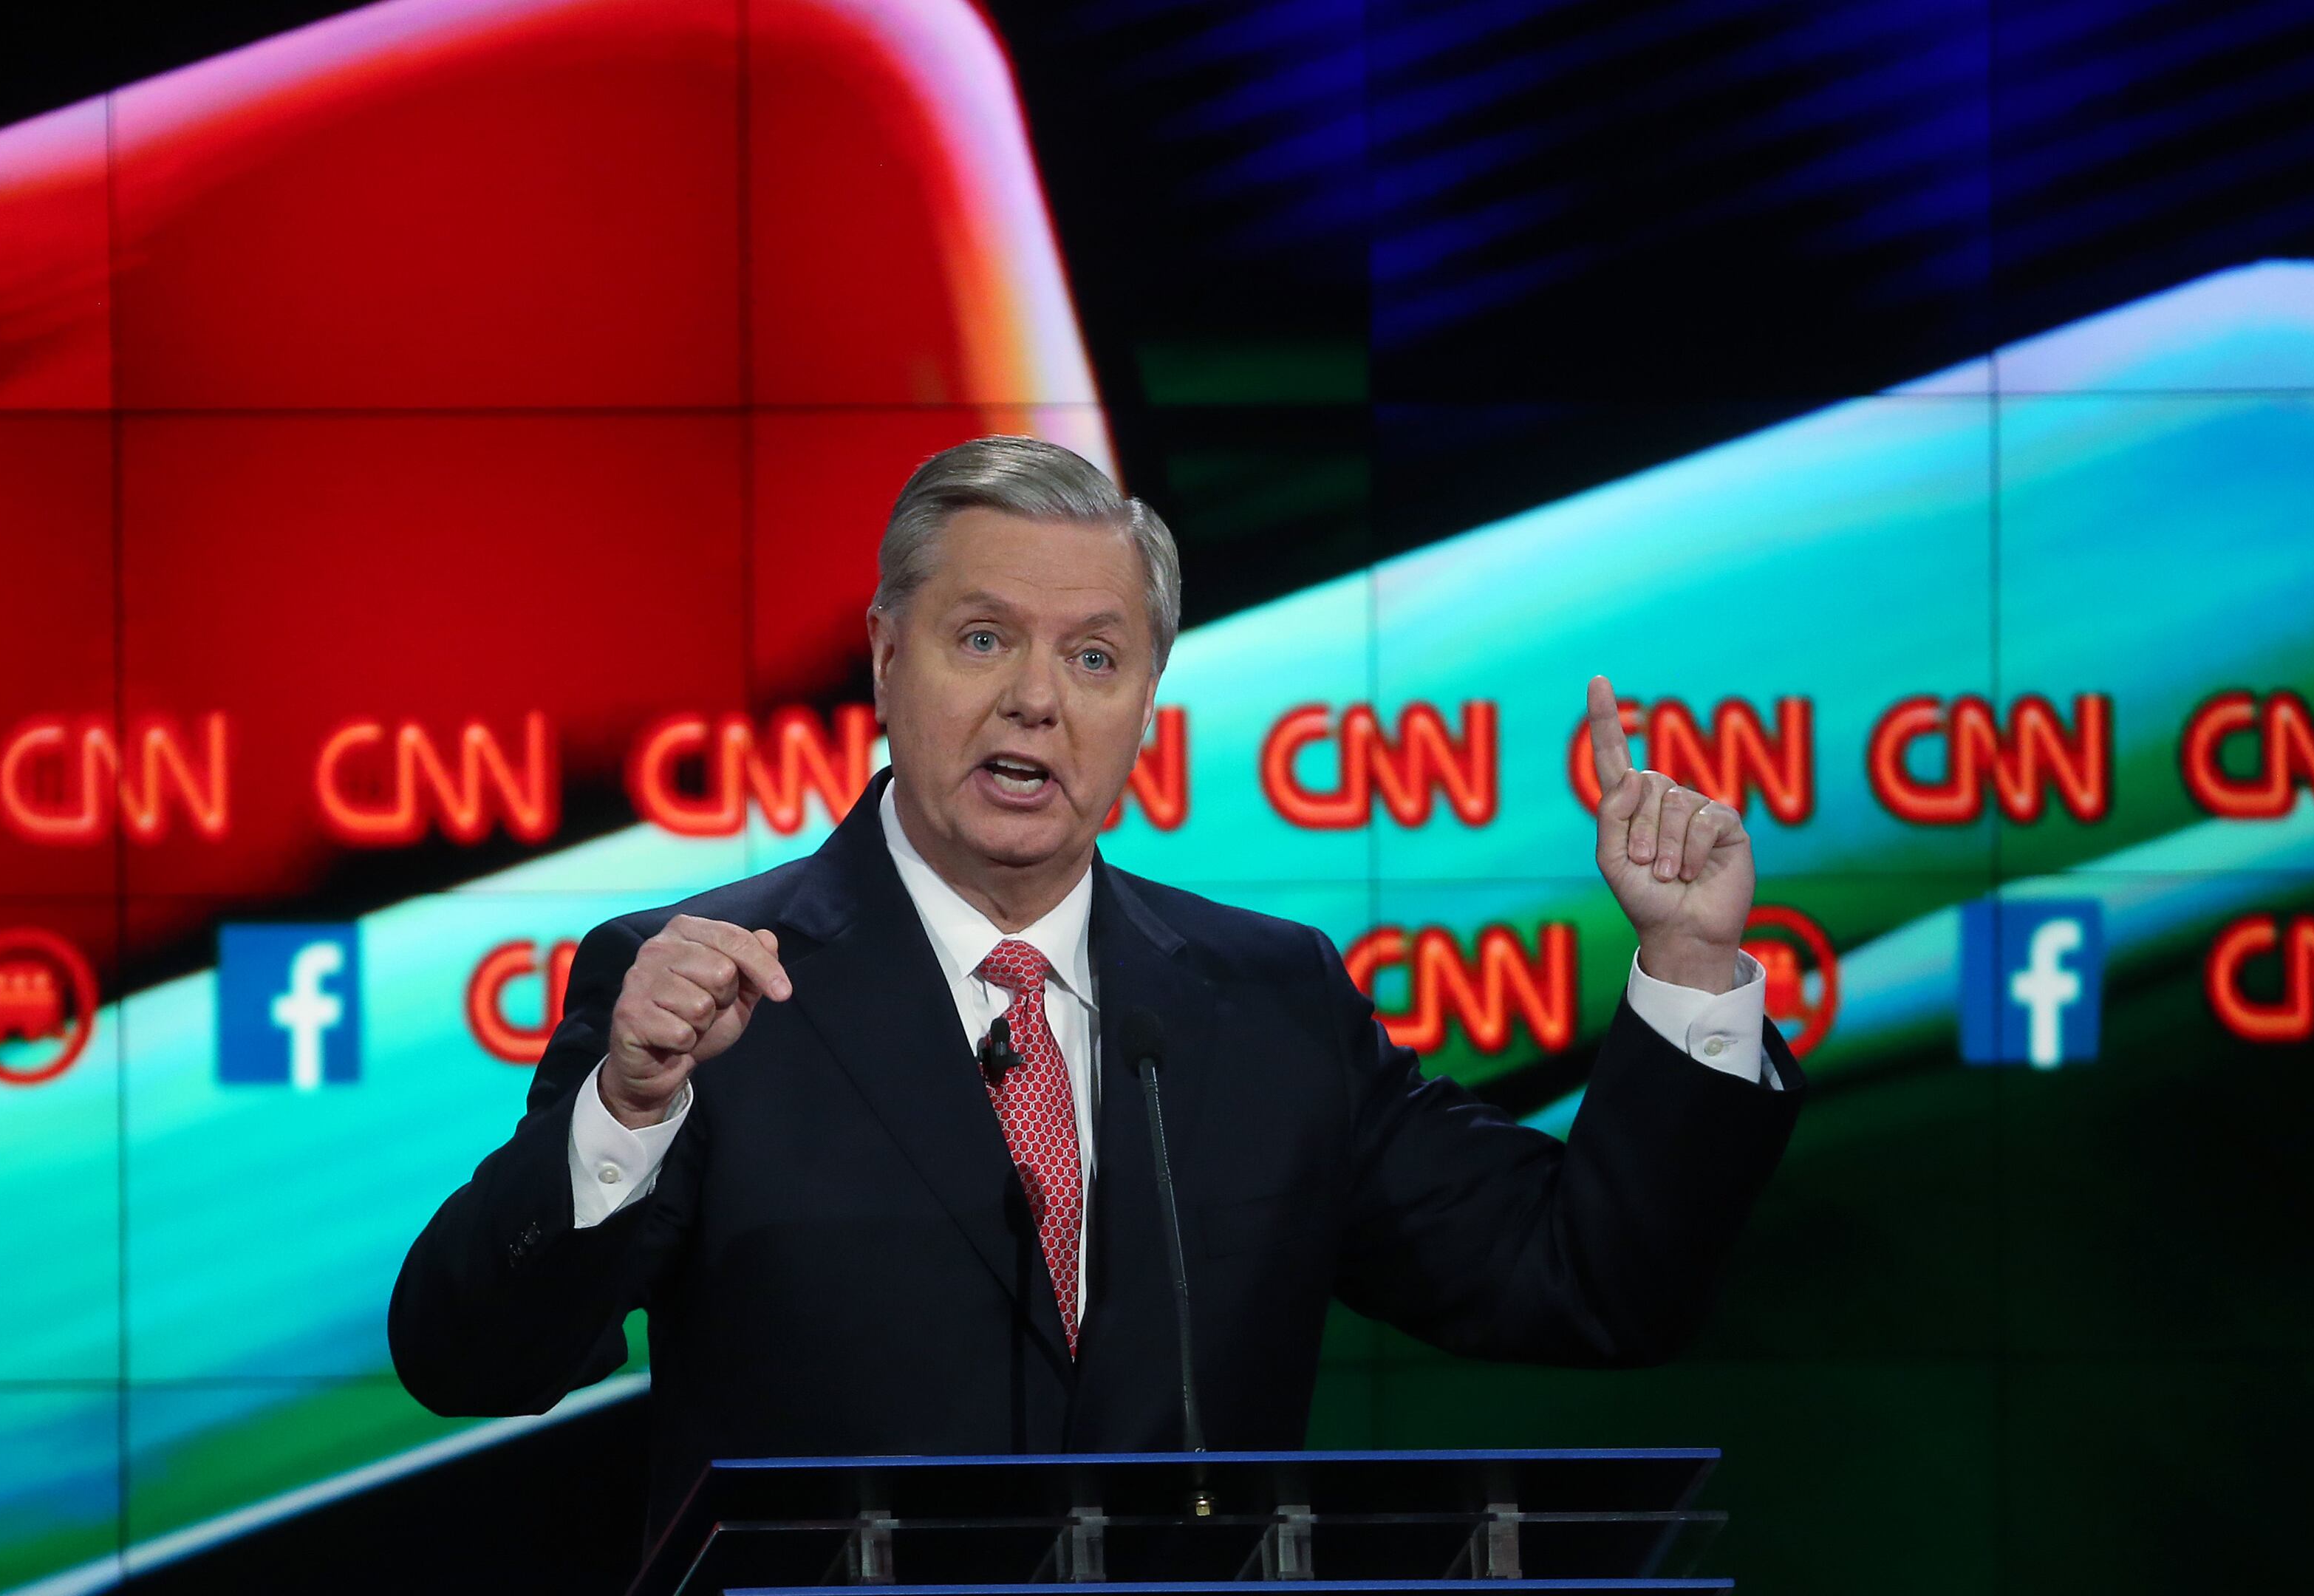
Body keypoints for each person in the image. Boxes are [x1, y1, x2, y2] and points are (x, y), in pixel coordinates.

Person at [389, 436, 1802, 1532]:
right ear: (889, 657)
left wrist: (1687, 962)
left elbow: (1592, 1281)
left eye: (1094, 658)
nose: (1036, 702)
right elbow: (470, 1358)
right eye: (984, 639)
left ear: (1147, 697)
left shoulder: (1271, 1003)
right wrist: (628, 1106)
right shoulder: (699, 991)